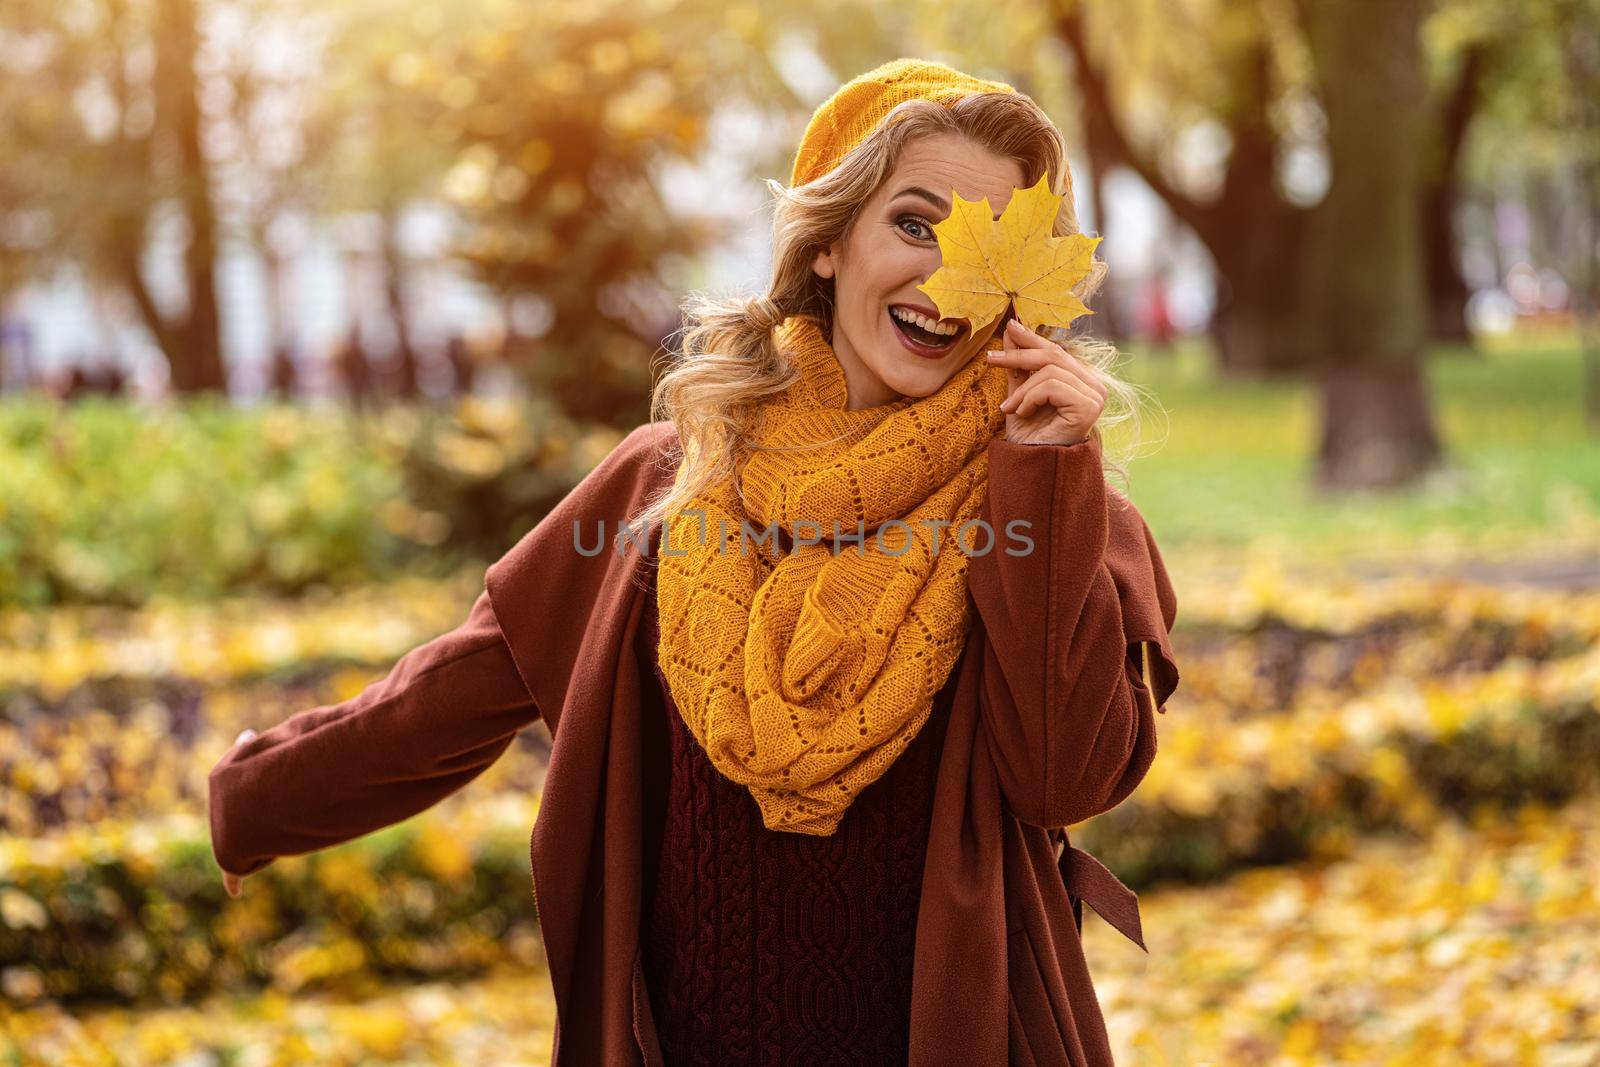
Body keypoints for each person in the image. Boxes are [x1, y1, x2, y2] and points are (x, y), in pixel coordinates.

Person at [208, 57, 1181, 1066]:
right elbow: (459, 687)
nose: (944, 279)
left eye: (986, 247)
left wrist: (1048, 473)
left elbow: (1066, 775)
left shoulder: (1055, 503)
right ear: (831, 241)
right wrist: (255, 797)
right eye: (913, 223)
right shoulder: (668, 484)